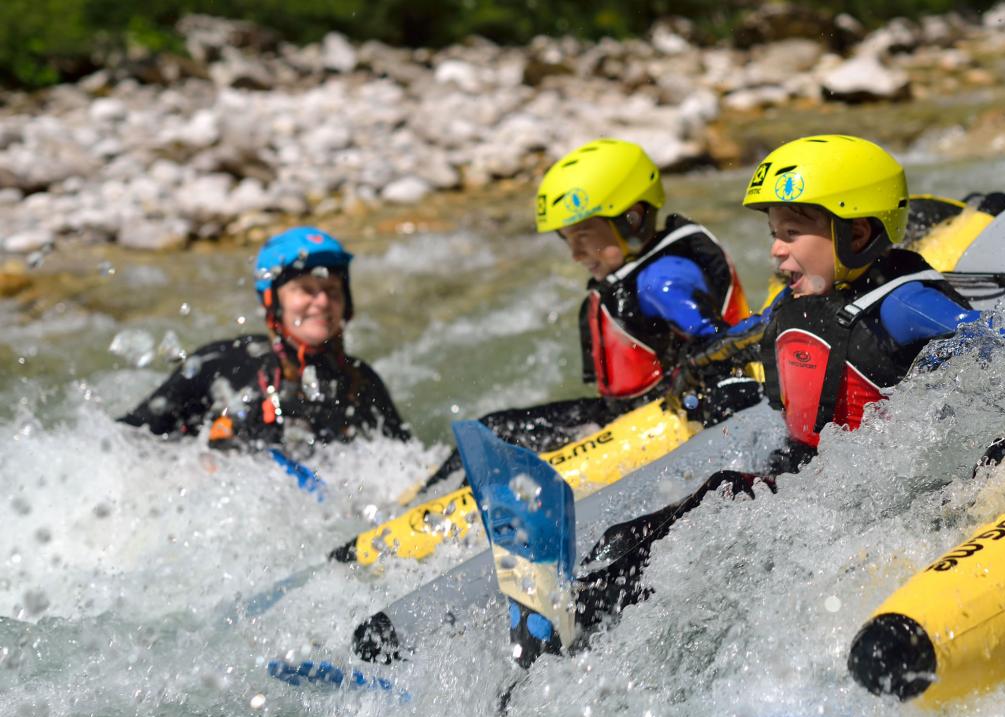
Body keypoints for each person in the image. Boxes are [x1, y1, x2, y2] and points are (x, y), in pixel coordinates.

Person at [515, 134, 1005, 663]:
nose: (775, 249)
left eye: (792, 233)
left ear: (858, 232)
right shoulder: (797, 301)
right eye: (774, 233)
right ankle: (580, 606)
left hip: (867, 496)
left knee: (721, 505)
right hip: (807, 474)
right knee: (686, 510)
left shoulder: (905, 302)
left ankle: (583, 614)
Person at [419, 138, 756, 492]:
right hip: (621, 413)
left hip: (661, 419)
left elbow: (719, 343)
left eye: (583, 234)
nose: (576, 254)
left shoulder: (662, 280)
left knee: (500, 438)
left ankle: (433, 508)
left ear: (632, 218)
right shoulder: (639, 273)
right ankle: (423, 501)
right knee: (491, 432)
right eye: (567, 239)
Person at [120, 226, 410, 452]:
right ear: (273, 302)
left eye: (332, 290)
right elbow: (126, 440)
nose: (322, 302)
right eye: (306, 289)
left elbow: (405, 464)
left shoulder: (361, 383)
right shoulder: (221, 365)